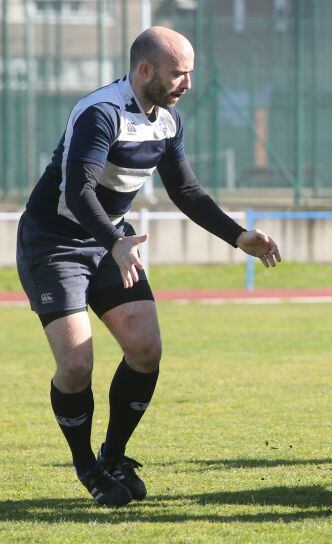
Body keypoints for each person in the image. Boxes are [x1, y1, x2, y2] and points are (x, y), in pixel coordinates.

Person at [15, 26, 280, 507]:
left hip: (112, 242)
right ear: (145, 70)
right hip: (54, 245)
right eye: (179, 74)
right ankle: (87, 469)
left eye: (191, 74)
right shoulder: (102, 113)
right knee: (75, 365)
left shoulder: (168, 121)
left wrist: (238, 236)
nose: (188, 84)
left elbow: (187, 191)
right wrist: (117, 242)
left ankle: (114, 455)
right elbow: (79, 191)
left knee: (146, 349)